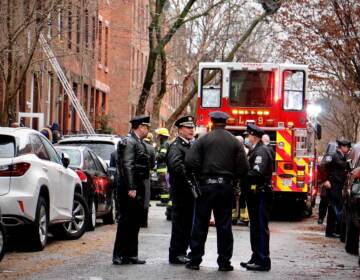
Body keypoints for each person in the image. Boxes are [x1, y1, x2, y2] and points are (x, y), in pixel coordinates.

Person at [185, 111, 249, 271]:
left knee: (200, 223)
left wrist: (201, 173)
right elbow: (244, 167)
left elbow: (190, 161)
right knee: (224, 225)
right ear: (225, 123)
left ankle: (194, 260)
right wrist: (233, 176)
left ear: (211, 122)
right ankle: (224, 262)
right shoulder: (235, 142)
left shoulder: (203, 140)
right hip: (225, 188)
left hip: (205, 187)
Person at [112, 115, 151, 265]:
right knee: (126, 222)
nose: (147, 130)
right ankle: (119, 255)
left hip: (136, 186)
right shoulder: (130, 142)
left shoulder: (137, 142)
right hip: (130, 188)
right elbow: (127, 165)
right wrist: (132, 187)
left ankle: (131, 254)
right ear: (140, 127)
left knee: (134, 222)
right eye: (146, 127)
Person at [241, 124, 273, 272]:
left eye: (248, 136)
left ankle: (263, 260)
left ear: (254, 136)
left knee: (260, 227)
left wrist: (240, 174)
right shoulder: (256, 150)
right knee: (255, 227)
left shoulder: (261, 151)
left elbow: (257, 172)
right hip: (255, 195)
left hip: (260, 194)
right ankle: (256, 257)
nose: (247, 138)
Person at [166, 115, 196, 265]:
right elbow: (175, 166)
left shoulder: (188, 145)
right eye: (188, 128)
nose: (191, 130)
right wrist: (189, 180)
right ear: (180, 130)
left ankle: (182, 251)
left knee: (187, 223)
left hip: (188, 192)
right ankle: (176, 253)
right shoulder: (176, 146)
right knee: (180, 224)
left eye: (192, 127)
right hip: (181, 191)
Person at [318, 139, 351, 238]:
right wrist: (325, 180)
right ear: (342, 146)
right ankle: (339, 231)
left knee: (333, 209)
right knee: (337, 208)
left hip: (339, 185)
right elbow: (321, 166)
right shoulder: (332, 155)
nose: (348, 149)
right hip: (333, 185)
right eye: (347, 147)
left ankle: (330, 231)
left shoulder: (343, 156)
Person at [142, 133, 156, 227]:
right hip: (145, 177)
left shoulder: (133, 145)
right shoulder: (151, 148)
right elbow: (152, 165)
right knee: (145, 199)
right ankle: (143, 221)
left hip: (132, 177)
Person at [155, 128, 171, 205]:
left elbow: (162, 155)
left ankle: (164, 201)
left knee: (163, 185)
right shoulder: (164, 144)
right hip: (162, 169)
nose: (157, 136)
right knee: (163, 184)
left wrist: (155, 156)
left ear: (162, 136)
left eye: (159, 135)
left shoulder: (165, 144)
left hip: (163, 169)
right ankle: (164, 200)